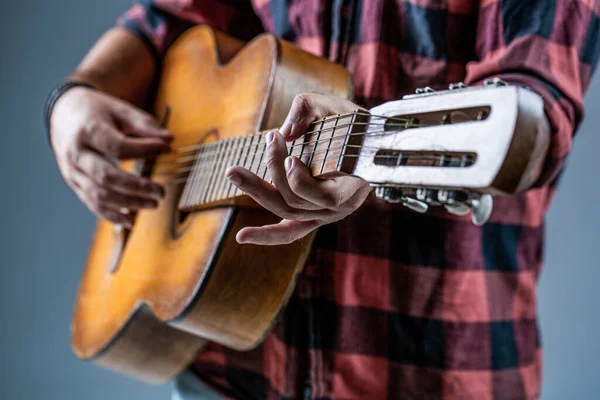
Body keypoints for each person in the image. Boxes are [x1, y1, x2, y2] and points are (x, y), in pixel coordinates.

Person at [46, 1, 599, 399]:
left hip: (426, 371)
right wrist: (74, 100)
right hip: (229, 370)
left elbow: (532, 111)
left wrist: (361, 151)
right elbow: (167, 20)